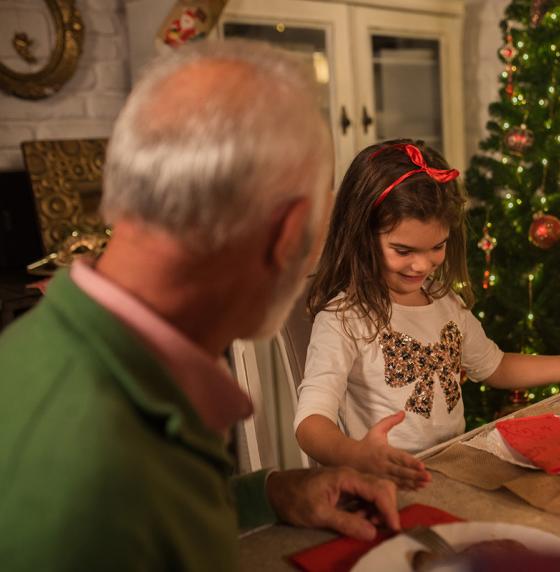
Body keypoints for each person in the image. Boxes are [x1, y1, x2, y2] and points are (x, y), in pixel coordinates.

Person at [0, 40, 399, 572]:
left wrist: (270, 493)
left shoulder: (52, 347)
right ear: (286, 236)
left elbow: (154, 518)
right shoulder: (96, 466)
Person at [294, 139, 560, 490]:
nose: (422, 265)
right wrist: (356, 454)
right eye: (402, 250)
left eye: (437, 247)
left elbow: (494, 366)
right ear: (361, 237)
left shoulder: (443, 300)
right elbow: (311, 422)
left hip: (452, 472)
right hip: (386, 485)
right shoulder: (345, 316)